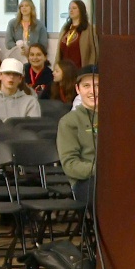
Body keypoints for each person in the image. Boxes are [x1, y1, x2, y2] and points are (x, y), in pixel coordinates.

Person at [57, 69, 97, 209]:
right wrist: (101, 170)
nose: (93, 91)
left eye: (98, 85)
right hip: (85, 181)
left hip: (118, 178)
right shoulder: (69, 122)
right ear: (77, 89)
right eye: (86, 86)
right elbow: (70, 164)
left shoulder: (117, 117)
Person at [57, 0, 98, 85]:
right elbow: (59, 51)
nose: (71, 10)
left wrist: (89, 69)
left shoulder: (89, 29)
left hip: (80, 69)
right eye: (69, 8)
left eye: (74, 8)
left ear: (81, 10)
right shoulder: (65, 28)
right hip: (64, 70)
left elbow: (94, 52)